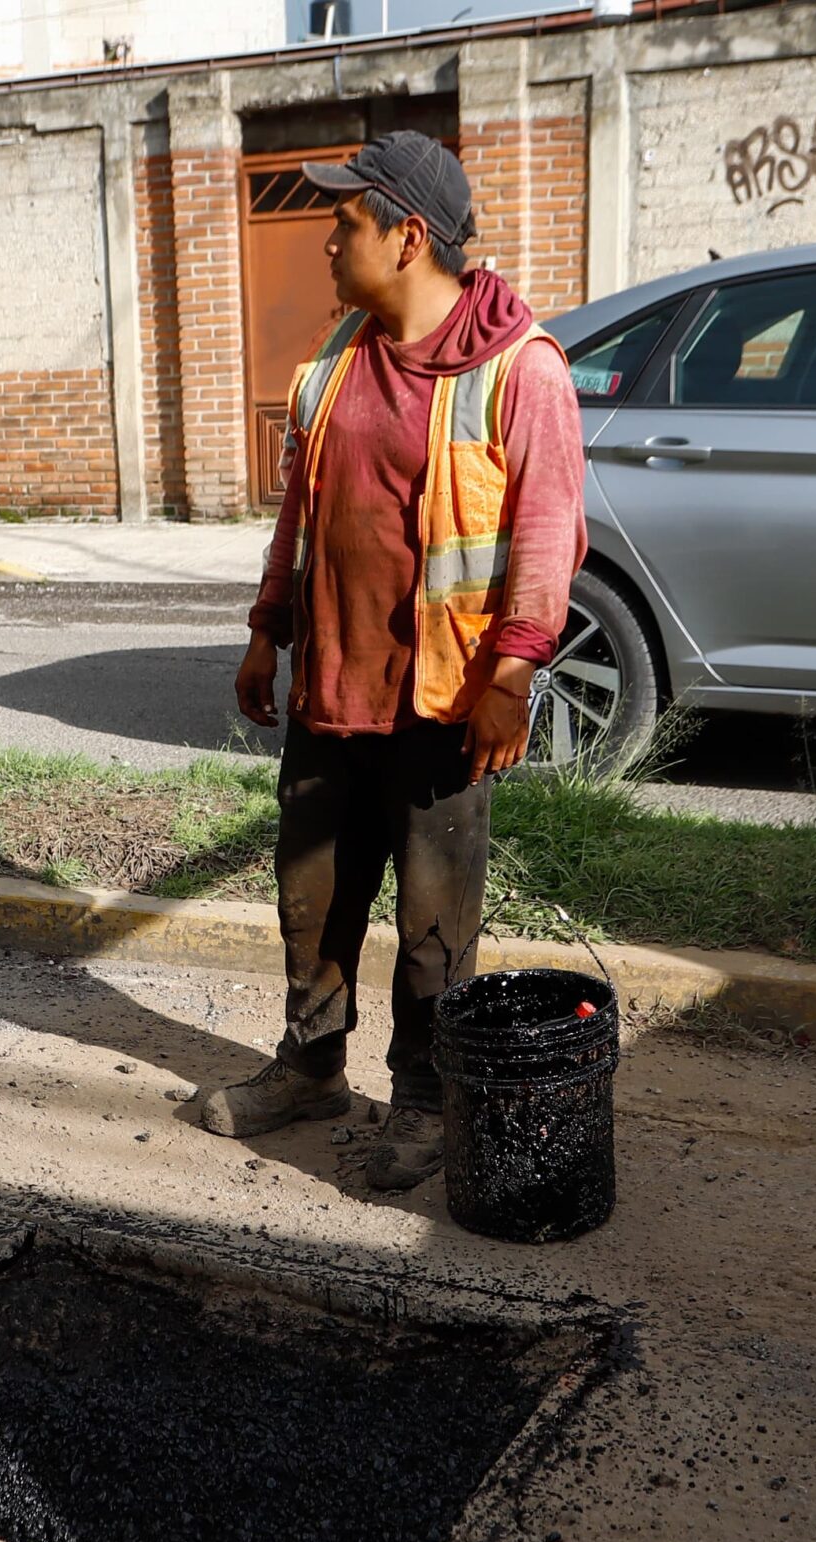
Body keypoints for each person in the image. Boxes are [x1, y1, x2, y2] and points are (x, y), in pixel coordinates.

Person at [197, 132, 585, 1192]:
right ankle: (313, 1068)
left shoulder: (520, 370)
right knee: (311, 903)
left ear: (408, 237)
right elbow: (301, 514)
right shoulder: (333, 359)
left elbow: (549, 538)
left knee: (431, 934)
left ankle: (423, 1102)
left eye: (344, 223)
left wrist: (510, 678)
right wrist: (265, 627)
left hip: (441, 707)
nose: (326, 242)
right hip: (329, 691)